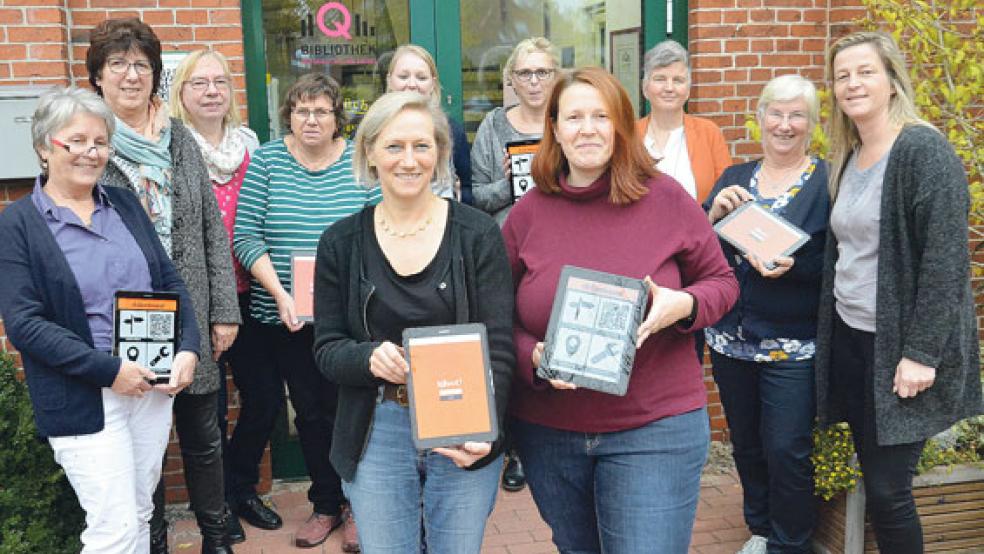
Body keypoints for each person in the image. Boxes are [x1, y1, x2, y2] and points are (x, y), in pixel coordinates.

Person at [502, 66, 739, 553]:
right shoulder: (528, 213)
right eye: (573, 117)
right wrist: (532, 356)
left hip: (654, 428)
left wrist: (685, 304)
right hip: (551, 433)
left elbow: (723, 283)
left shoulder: (666, 198)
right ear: (554, 129)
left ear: (622, 125)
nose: (587, 128)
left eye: (601, 116)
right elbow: (496, 315)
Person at [312, 90, 515, 554]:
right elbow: (326, 348)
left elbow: (500, 346)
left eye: (422, 146)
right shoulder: (340, 243)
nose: (409, 160)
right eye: (394, 146)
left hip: (461, 420)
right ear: (370, 153)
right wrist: (367, 359)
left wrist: (488, 429)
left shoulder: (477, 234)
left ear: (441, 153)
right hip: (377, 425)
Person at [0, 86, 200, 553]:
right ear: (44, 147)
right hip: (84, 394)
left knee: (139, 512)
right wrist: (110, 371)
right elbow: (25, 324)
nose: (91, 152)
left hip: (150, 385)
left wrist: (187, 346)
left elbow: (168, 281)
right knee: (114, 527)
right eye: (77, 140)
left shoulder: (124, 205)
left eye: (100, 142)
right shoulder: (18, 225)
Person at [815, 31, 982, 553]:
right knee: (875, 479)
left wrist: (920, 353)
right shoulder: (849, 154)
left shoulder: (922, 149)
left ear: (891, 80)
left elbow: (946, 261)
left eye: (865, 71)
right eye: (842, 76)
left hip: (901, 354)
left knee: (890, 492)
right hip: (853, 338)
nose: (852, 83)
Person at [86, 18, 241, 554]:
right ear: (98, 77)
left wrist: (223, 310)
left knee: (203, 438)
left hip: (191, 312)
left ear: (156, 76)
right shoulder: (90, 146)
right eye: (118, 65)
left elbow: (210, 234)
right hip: (121, 321)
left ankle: (216, 538)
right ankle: (150, 538)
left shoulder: (181, 142)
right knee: (137, 443)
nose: (131, 76)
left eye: (142, 66)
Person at [232, 72, 378, 550]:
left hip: (350, 317)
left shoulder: (360, 161)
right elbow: (246, 235)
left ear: (338, 118)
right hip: (287, 315)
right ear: (288, 115)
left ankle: (359, 504)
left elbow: (380, 230)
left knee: (352, 411)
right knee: (310, 414)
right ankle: (326, 504)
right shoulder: (268, 161)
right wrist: (279, 293)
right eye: (301, 110)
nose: (310, 119)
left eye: (321, 110)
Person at [703, 74, 829, 554]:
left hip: (792, 346)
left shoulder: (826, 182)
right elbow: (698, 248)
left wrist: (796, 268)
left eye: (797, 114)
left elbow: (836, 265)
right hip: (731, 341)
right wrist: (711, 215)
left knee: (787, 450)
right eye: (775, 112)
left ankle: (792, 542)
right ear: (758, 118)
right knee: (748, 444)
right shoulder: (734, 179)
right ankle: (760, 528)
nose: (784, 124)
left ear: (812, 124)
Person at [169, 48, 261, 546]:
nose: (211, 91)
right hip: (202, 300)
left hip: (252, 293)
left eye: (220, 82)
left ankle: (241, 486)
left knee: (262, 399)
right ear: (181, 93)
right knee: (210, 406)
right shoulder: (173, 148)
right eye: (198, 83)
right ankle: (218, 506)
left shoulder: (252, 146)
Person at [472, 37, 560, 225]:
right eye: (524, 73)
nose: (534, 81)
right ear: (511, 78)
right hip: (507, 242)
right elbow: (476, 197)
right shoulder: (493, 125)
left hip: (561, 236)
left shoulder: (569, 124)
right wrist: (509, 184)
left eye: (543, 72)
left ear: (556, 77)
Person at [635, 39, 731, 203]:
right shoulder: (628, 135)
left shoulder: (709, 133)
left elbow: (726, 191)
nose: (669, 88)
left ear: (687, 90)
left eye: (678, 80)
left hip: (698, 228)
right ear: (645, 88)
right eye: (660, 79)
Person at [384, 44, 471, 202]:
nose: (412, 84)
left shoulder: (452, 131)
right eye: (403, 77)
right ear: (390, 81)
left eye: (421, 78)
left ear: (432, 83)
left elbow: (467, 188)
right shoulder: (373, 129)